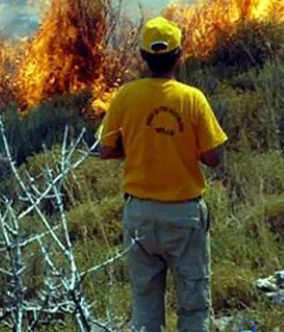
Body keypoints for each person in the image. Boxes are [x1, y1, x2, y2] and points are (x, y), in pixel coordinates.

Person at [97, 17, 228, 332]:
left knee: (145, 305)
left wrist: (141, 145)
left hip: (139, 215)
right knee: (194, 305)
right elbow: (214, 157)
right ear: (179, 54)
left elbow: (105, 149)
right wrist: (181, 146)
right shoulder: (191, 98)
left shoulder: (125, 97)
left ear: (142, 56)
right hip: (184, 218)